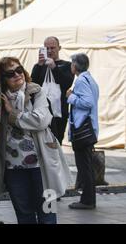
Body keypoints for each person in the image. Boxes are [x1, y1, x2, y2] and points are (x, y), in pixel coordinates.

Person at [0, 57, 71, 224]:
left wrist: (12, 113)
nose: (17, 75)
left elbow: (41, 120)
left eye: (19, 70)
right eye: (10, 73)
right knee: (24, 214)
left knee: (48, 212)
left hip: (43, 165)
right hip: (13, 167)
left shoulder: (35, 91)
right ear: (3, 79)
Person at [66, 53, 99, 210]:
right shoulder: (90, 79)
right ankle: (88, 199)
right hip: (89, 129)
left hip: (82, 130)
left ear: (75, 66)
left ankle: (87, 201)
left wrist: (71, 96)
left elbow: (88, 102)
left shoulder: (81, 81)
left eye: (72, 63)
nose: (71, 66)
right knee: (87, 167)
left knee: (84, 167)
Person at [31, 37, 74, 145]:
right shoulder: (39, 66)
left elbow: (66, 83)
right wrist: (39, 65)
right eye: (47, 48)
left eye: (52, 48)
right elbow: (32, 85)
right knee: (41, 142)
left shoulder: (67, 65)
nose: (49, 51)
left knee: (56, 142)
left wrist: (54, 67)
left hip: (59, 112)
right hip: (42, 111)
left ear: (59, 48)